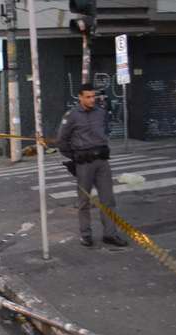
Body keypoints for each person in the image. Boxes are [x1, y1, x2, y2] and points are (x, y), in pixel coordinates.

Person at [56, 83, 128, 248]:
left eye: (93, 96)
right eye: (88, 97)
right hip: (84, 163)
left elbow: (106, 131)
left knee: (108, 200)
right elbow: (61, 140)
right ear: (80, 97)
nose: (91, 99)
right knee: (84, 201)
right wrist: (74, 156)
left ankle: (110, 234)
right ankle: (86, 235)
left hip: (102, 161)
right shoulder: (72, 115)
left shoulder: (101, 113)